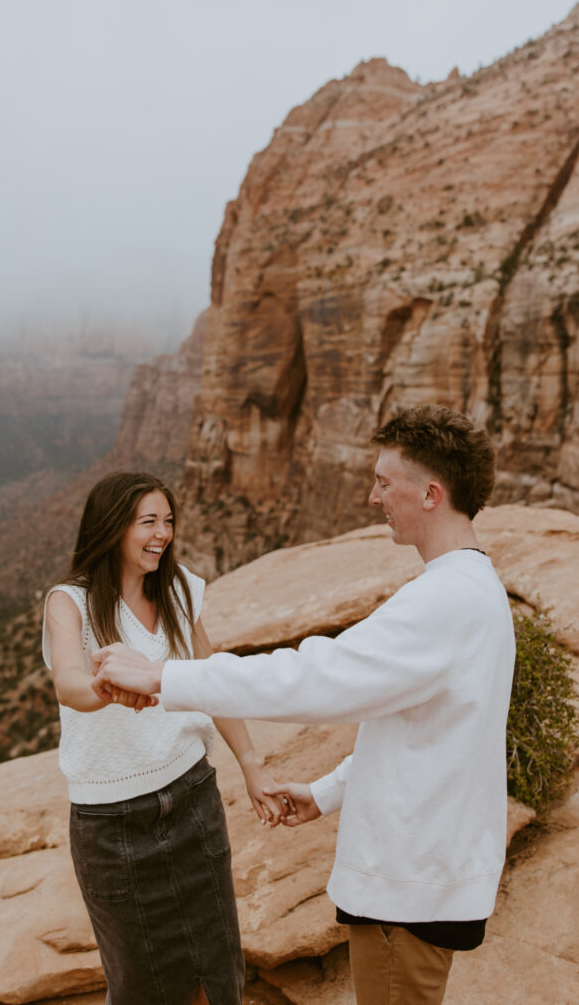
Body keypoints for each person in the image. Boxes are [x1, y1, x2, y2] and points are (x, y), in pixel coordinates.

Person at [91, 405, 517, 1005]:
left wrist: (164, 676)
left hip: (407, 892)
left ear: (430, 492)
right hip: (419, 881)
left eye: (383, 481)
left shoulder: (442, 601)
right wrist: (326, 793)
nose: (373, 498)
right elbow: (417, 728)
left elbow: (316, 678)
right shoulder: (472, 589)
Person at [42, 470, 290, 1005]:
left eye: (168, 521)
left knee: (217, 970)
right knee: (141, 985)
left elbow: (213, 681)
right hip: (112, 825)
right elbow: (68, 682)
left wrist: (251, 764)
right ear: (112, 527)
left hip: (193, 803)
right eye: (148, 522)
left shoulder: (179, 591)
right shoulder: (71, 602)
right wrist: (107, 686)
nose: (162, 534)